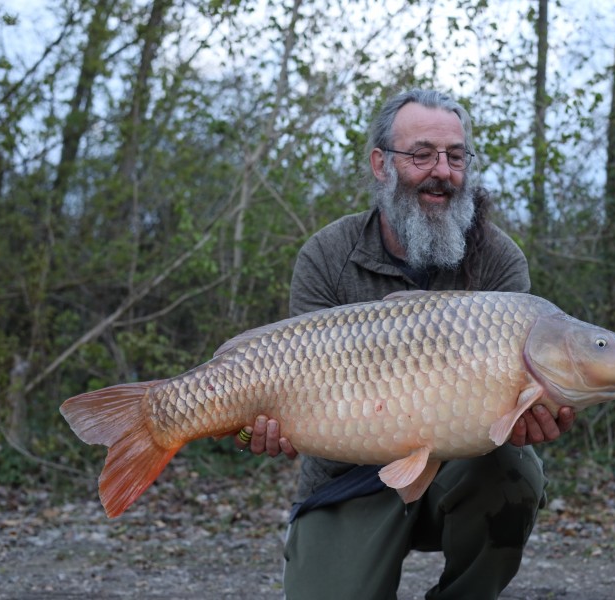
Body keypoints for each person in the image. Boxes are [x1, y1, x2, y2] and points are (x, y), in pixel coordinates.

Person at [234, 89, 575, 599]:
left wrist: (533, 413)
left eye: (455, 156)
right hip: (346, 480)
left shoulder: (498, 261)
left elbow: (523, 395)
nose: (442, 171)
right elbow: (287, 394)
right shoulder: (327, 255)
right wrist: (249, 433)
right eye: (421, 154)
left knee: (512, 471)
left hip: (456, 474)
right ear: (381, 164)